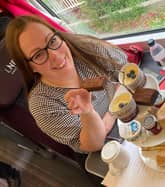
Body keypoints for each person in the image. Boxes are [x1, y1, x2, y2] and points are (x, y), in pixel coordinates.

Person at [5, 14, 127, 183]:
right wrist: (88, 112)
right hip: (99, 153)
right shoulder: (42, 104)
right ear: (29, 66)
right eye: (39, 55)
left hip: (125, 114)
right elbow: (96, 142)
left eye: (52, 41)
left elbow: (126, 74)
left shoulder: (86, 49)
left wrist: (110, 117)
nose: (56, 56)